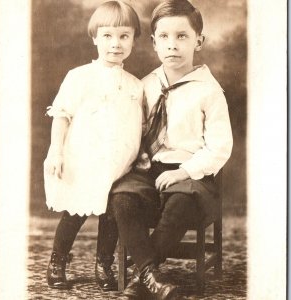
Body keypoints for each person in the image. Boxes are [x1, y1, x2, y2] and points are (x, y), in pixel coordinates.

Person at [108, 0, 233, 299]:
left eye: (182, 36)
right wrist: (136, 152)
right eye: (164, 37)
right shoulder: (145, 85)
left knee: (183, 203)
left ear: (198, 41)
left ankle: (141, 277)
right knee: (122, 196)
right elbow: (132, 130)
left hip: (192, 176)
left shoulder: (209, 90)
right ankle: (150, 276)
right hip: (149, 172)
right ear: (153, 42)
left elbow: (220, 146)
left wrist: (184, 172)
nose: (172, 45)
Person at [43, 0, 143, 291]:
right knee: (75, 212)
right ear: (95, 38)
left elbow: (136, 124)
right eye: (108, 36)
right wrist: (56, 150)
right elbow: (62, 115)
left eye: (124, 36)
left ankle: (104, 264)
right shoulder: (79, 77)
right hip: (84, 158)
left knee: (111, 215)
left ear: (134, 40)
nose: (116, 44)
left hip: (118, 163)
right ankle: (58, 261)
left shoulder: (135, 85)